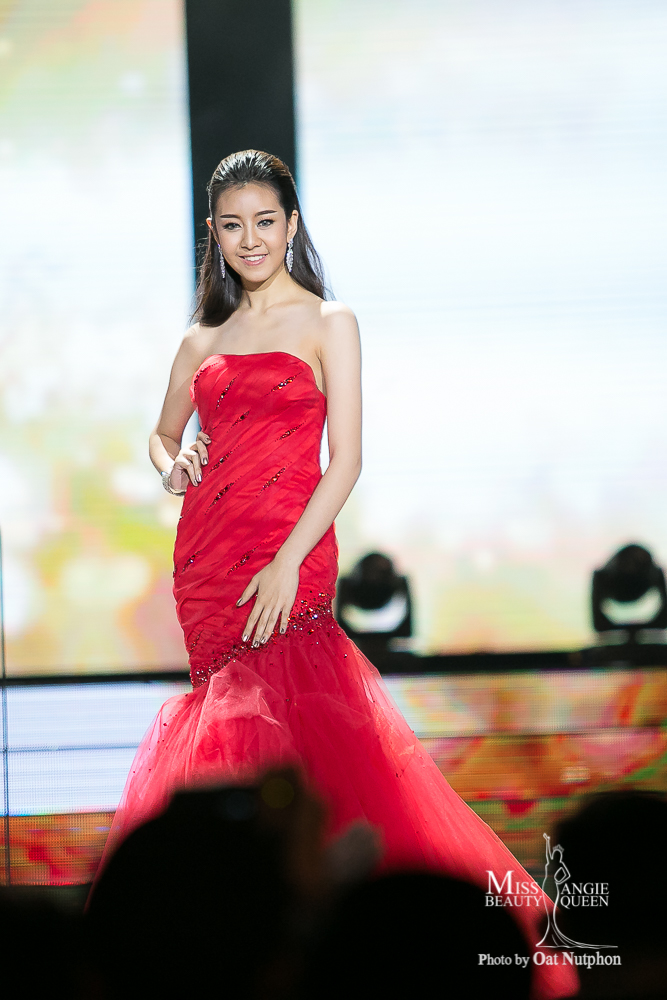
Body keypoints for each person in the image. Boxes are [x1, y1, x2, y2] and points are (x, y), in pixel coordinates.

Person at [96, 149, 575, 998]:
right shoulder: (201, 338)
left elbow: (346, 459)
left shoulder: (328, 321)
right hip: (207, 559)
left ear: (291, 225)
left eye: (265, 221)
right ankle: (247, 944)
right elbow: (162, 433)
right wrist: (172, 464)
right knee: (231, 737)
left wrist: (288, 561)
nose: (250, 239)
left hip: (291, 548)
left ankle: (356, 949)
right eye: (232, 225)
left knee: (308, 725)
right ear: (213, 232)